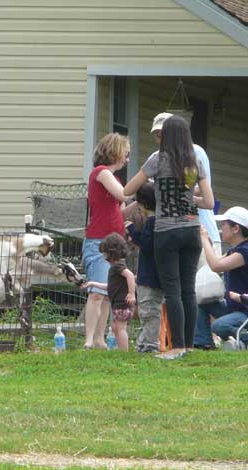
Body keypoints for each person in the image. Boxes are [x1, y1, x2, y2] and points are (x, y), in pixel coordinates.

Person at [124, 115, 215, 360]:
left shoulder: (157, 159)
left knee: (172, 291)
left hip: (166, 231)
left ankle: (176, 347)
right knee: (189, 291)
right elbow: (209, 202)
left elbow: (127, 190)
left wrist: (160, 192)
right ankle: (190, 347)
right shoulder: (195, 162)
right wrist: (188, 199)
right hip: (191, 230)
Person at [82, 133, 136, 349]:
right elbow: (123, 195)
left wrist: (141, 201)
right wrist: (140, 185)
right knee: (96, 293)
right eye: (126, 153)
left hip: (114, 244)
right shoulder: (101, 172)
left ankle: (99, 339)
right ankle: (88, 341)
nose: (127, 159)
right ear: (115, 151)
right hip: (98, 241)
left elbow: (121, 213)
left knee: (107, 294)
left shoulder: (116, 180)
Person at [194, 206, 248, 349]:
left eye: (224, 224)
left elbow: (216, 266)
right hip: (234, 306)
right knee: (201, 302)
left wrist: (204, 239)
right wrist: (207, 243)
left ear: (235, 228)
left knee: (219, 326)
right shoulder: (236, 250)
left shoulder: (246, 252)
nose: (221, 228)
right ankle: (203, 342)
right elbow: (216, 262)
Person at [150, 112, 221, 249]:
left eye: (163, 133)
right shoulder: (156, 158)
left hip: (202, 231)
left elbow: (202, 190)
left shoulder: (194, 152)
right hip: (170, 233)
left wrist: (173, 191)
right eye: (157, 135)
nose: (160, 139)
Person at [82, 233, 136, 352]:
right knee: (115, 327)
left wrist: (131, 293)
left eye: (105, 253)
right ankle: (121, 348)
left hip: (122, 304)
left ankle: (124, 352)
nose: (104, 257)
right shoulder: (115, 267)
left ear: (111, 253)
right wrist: (93, 284)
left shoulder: (118, 266)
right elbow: (110, 287)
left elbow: (130, 275)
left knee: (120, 328)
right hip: (118, 304)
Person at [126, 182, 162, 353]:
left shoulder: (152, 222)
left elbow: (146, 244)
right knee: (148, 310)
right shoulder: (158, 221)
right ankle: (144, 343)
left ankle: (149, 345)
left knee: (149, 311)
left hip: (149, 277)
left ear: (143, 204)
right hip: (153, 276)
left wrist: (131, 229)